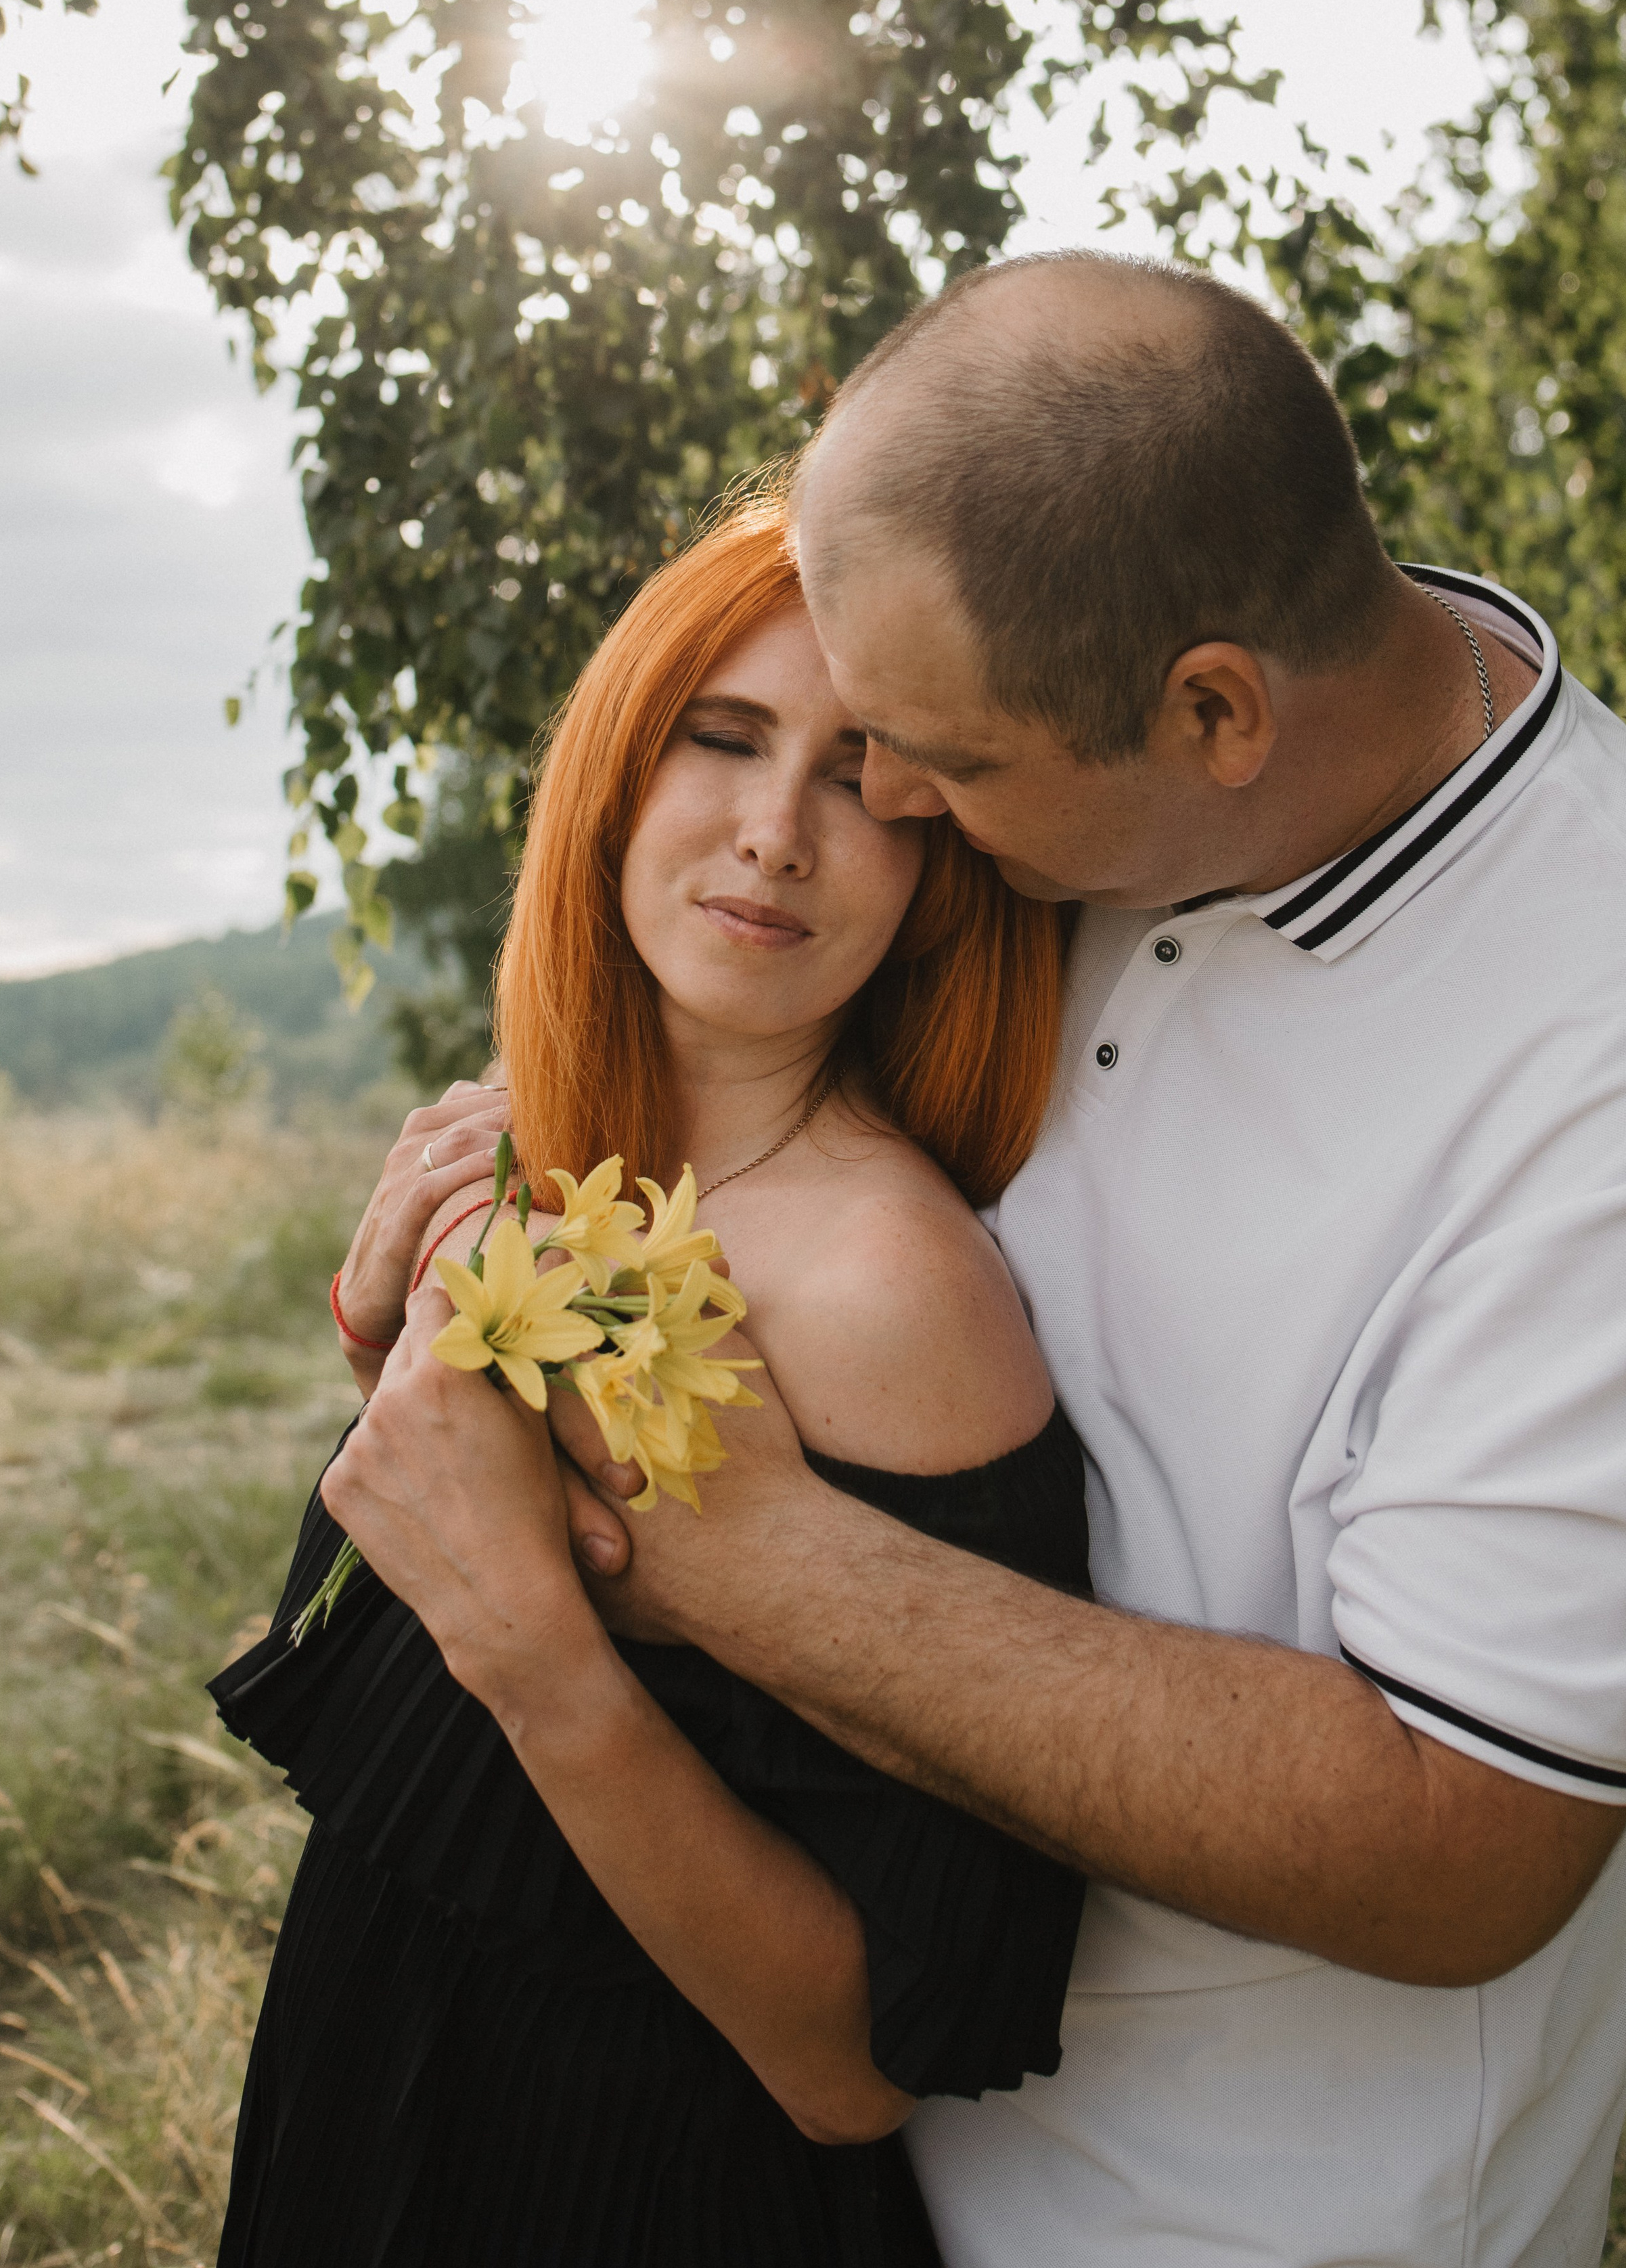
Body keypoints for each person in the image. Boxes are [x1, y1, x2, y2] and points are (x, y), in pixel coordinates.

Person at [330, 250, 1626, 2268]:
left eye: (936, 761)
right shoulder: (1084, 746)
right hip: (819, 2146)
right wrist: (526, 1181)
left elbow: (1463, 1847)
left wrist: (746, 1558)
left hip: (1242, 2211)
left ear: (1215, 710)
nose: (876, 805)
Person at [208, 493, 1093, 2268]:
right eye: (728, 735)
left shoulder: (887, 1294)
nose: (775, 835)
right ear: (620, 760)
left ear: (933, 864)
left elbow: (853, 2066)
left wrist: (539, 1650)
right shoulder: (552, 1160)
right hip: (376, 2097)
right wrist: (398, 1373)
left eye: (858, 775)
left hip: (622, 2186)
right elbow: (417, 1685)